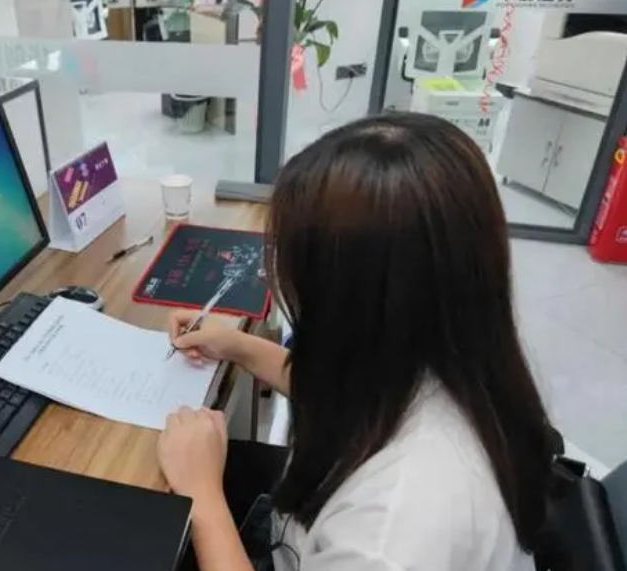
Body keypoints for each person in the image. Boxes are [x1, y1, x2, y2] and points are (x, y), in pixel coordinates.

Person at [157, 112, 556, 571]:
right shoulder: (459, 359)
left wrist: (203, 497)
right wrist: (238, 346)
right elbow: (351, 393)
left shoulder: (391, 533)